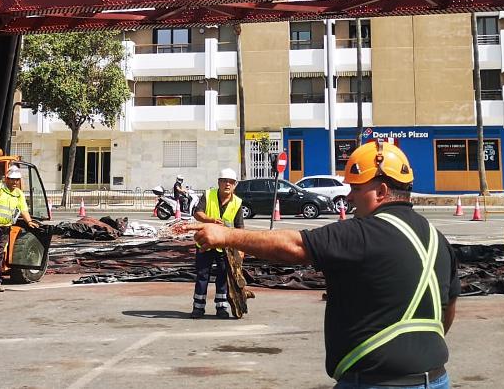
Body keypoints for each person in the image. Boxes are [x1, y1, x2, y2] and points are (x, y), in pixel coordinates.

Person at [193, 140, 459, 388]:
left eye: (356, 188)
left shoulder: (361, 233)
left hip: (375, 381)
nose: (350, 198)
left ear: (382, 191)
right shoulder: (439, 240)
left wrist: (227, 235)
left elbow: (295, 246)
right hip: (435, 378)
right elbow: (447, 310)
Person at [190, 167, 244, 318]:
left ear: (235, 185)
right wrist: (211, 220)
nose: (227, 184)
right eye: (224, 181)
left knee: (223, 276)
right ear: (219, 182)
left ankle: (221, 307)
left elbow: (239, 227)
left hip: (224, 247)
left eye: (231, 182)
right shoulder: (208, 195)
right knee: (202, 275)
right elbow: (197, 213)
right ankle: (198, 308)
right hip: (205, 244)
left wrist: (241, 250)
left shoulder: (237, 202)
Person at [0, 165, 38, 292]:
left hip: (6, 227)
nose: (15, 182)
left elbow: (23, 210)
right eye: (12, 179)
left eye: (17, 180)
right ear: (6, 179)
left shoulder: (19, 194)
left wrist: (29, 221)